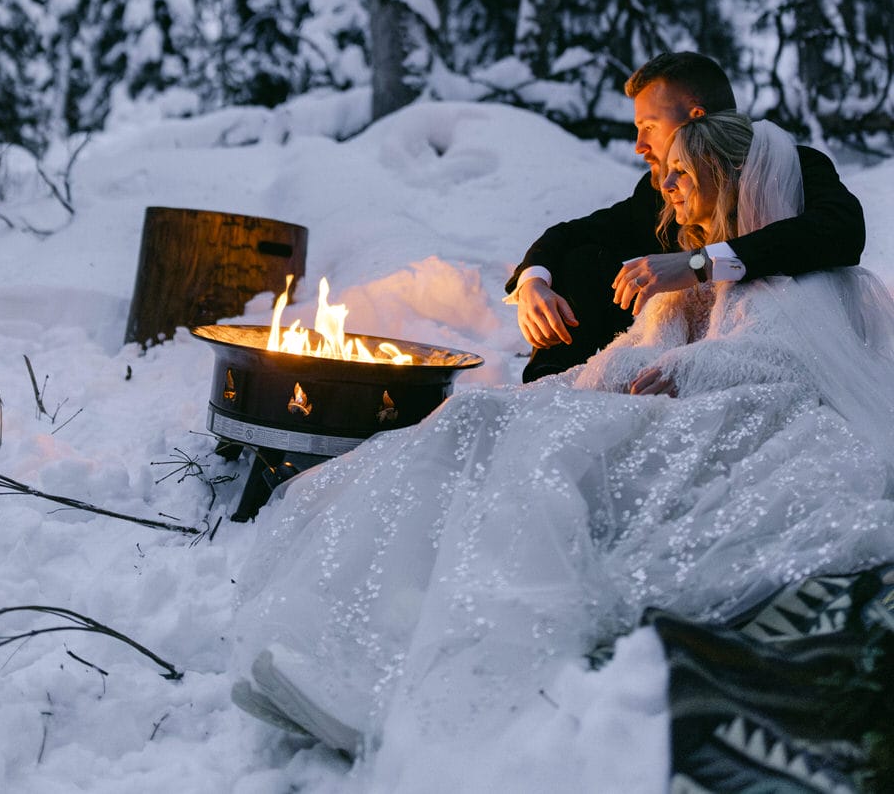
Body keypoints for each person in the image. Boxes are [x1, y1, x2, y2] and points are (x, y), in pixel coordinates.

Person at [230, 112, 894, 778]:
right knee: (475, 423)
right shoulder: (682, 275)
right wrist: (591, 373)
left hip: (725, 425)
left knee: (542, 465)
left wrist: (689, 368)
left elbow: (784, 362)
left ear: (722, 174)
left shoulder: (799, 265)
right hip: (652, 411)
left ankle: (448, 688)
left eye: (683, 176)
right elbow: (629, 340)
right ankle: (358, 651)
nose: (671, 194)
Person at [506, 51, 865, 382]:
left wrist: (699, 264)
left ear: (697, 118)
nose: (639, 145)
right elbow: (579, 233)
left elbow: (841, 231)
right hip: (677, 337)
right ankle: (546, 386)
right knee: (582, 260)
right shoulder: (656, 191)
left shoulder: (790, 164)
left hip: (780, 338)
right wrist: (533, 282)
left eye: (648, 126)